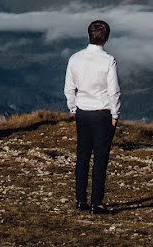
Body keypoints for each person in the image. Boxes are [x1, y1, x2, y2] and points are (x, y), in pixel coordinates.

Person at [64, 19, 121, 215]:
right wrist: (115, 115)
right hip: (102, 113)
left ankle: (80, 200)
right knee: (100, 159)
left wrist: (73, 108)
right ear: (106, 38)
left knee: (82, 157)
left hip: (81, 112)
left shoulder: (74, 58)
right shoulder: (108, 61)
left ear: (88, 35)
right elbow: (114, 92)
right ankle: (97, 203)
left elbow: (69, 88)